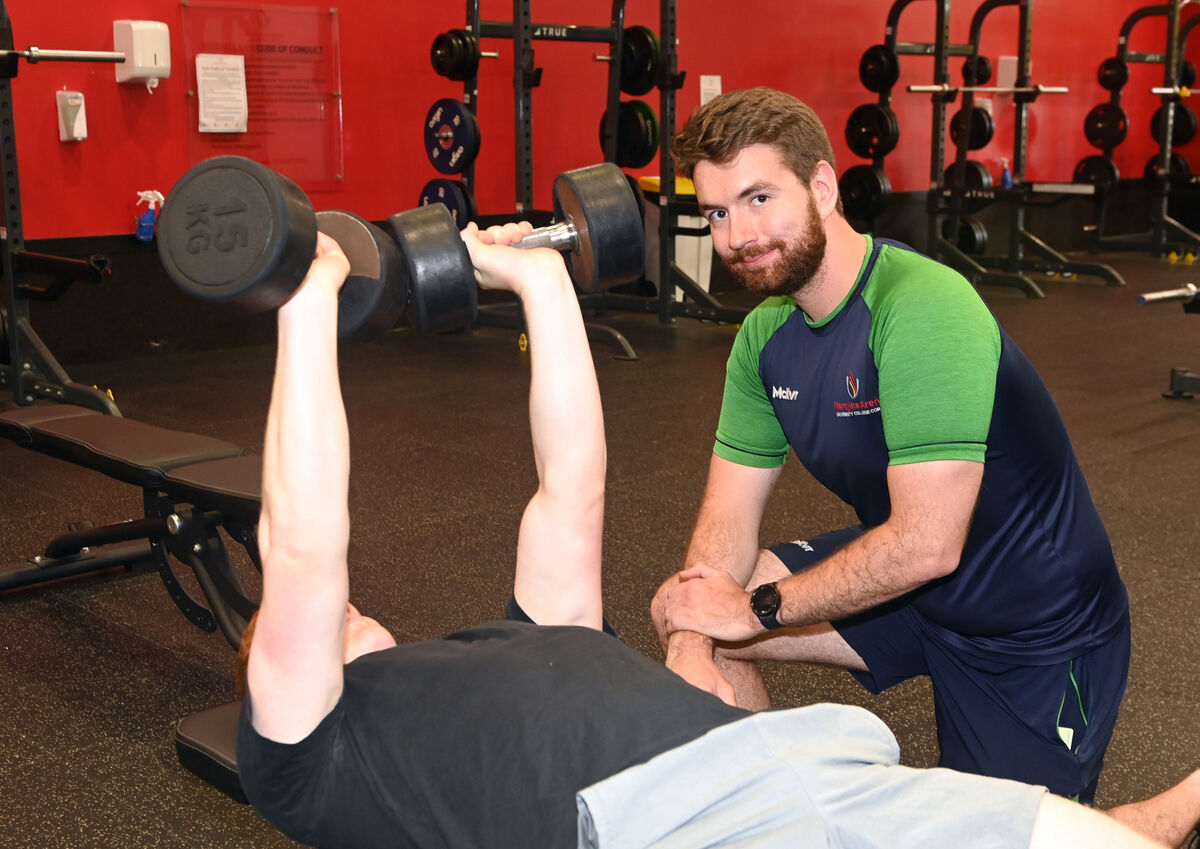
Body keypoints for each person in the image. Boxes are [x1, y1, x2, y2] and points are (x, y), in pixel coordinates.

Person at [236, 218, 1194, 849]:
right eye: (315, 622)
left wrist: (540, 284)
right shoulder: (307, 750)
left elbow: (572, 488)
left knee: (1090, 836)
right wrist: (307, 305)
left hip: (788, 761)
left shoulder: (511, 635)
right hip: (679, 821)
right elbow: (305, 542)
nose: (344, 609)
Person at [650, 86, 1132, 805]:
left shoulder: (921, 308)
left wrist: (753, 611)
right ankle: (784, 819)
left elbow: (928, 544)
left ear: (822, 186)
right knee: (685, 604)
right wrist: (696, 633)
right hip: (909, 593)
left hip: (1032, 625)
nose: (736, 236)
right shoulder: (763, 340)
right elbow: (728, 517)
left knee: (1014, 835)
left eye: (757, 198)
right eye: (717, 212)